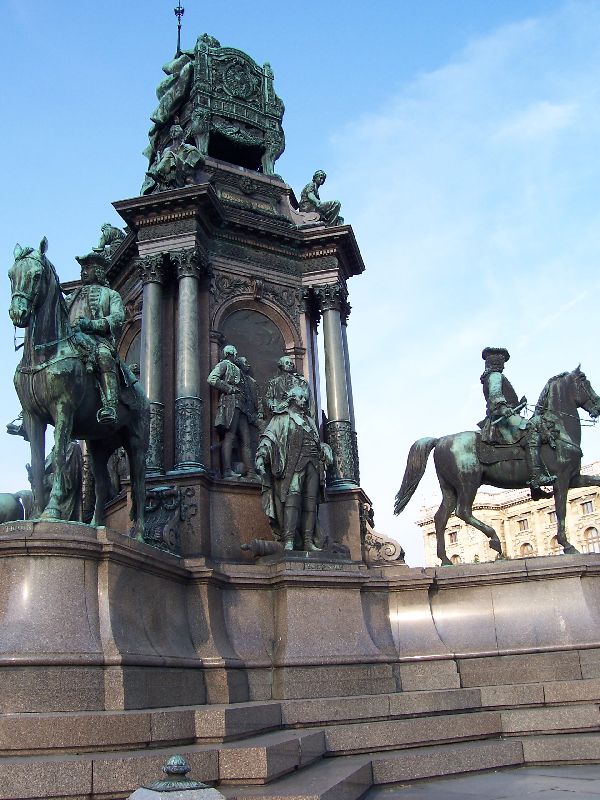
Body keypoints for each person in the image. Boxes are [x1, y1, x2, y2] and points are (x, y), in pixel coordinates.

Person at [255, 385, 333, 551]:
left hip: (314, 464)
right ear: (291, 399)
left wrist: (324, 447)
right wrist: (261, 456)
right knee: (293, 499)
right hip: (294, 464)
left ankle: (308, 541)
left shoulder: (310, 421)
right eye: (300, 397)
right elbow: (268, 439)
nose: (304, 400)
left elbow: (317, 443)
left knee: (310, 503)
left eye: (305, 398)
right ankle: (288, 539)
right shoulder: (281, 419)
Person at [479, 347, 556, 489]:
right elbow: (495, 396)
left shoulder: (493, 376)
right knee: (531, 431)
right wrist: (504, 408)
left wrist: (519, 405)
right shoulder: (495, 376)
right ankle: (536, 477)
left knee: (535, 424)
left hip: (506, 415)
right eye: (501, 361)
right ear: (496, 362)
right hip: (502, 419)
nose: (503, 365)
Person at [66, 253, 125, 425]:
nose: (84, 272)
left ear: (98, 271)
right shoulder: (72, 297)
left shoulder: (110, 294)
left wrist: (92, 324)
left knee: (104, 356)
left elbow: (117, 318)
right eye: (82, 269)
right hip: (70, 339)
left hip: (97, 339)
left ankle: (110, 405)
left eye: (88, 268)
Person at [207, 345, 252, 478]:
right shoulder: (224, 365)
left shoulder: (237, 369)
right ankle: (227, 470)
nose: (236, 356)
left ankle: (251, 472)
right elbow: (212, 379)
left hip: (242, 406)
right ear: (230, 353)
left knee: (246, 440)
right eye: (235, 353)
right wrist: (229, 388)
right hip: (230, 402)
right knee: (230, 436)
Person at [237, 356, 262, 460]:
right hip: (240, 413)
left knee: (264, 430)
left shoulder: (252, 382)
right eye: (245, 362)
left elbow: (258, 399)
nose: (248, 365)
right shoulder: (236, 379)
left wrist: (260, 412)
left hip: (252, 415)